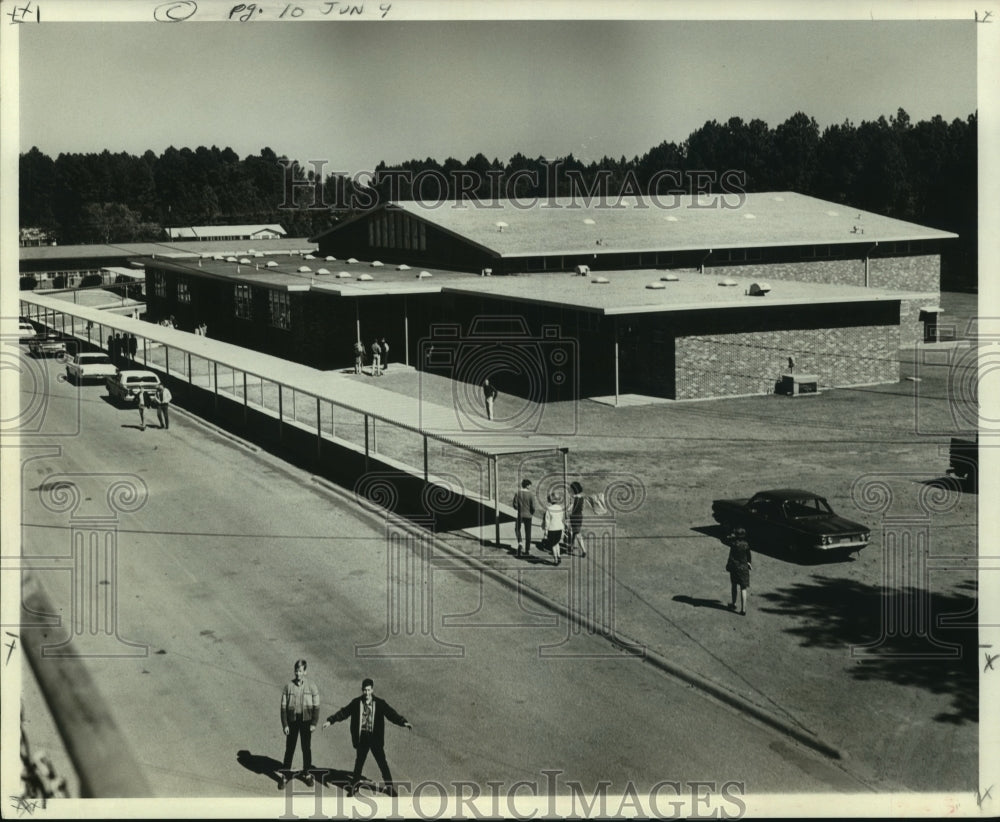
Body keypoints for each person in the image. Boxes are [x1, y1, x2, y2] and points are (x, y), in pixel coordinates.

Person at [322, 678, 411, 796]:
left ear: (372, 690)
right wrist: (330, 721)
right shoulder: (356, 703)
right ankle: (354, 787)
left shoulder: (379, 703)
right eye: (365, 690)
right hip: (362, 737)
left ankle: (390, 788)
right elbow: (344, 712)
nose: (367, 693)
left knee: (382, 763)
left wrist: (403, 722)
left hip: (375, 738)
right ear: (362, 690)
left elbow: (391, 714)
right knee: (359, 763)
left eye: (369, 690)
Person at [279, 659, 321, 788]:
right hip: (292, 720)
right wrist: (285, 724)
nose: (298, 673)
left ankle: (307, 773)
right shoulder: (288, 686)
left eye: (301, 671)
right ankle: (285, 775)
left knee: (306, 748)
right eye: (296, 670)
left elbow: (317, 706)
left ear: (305, 672)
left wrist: (314, 722)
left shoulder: (312, 686)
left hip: (306, 721)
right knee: (290, 748)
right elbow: (283, 707)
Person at [725, 527, 752, 616]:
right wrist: (749, 564)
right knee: (743, 588)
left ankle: (733, 603)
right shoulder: (746, 545)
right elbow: (749, 557)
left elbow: (731, 556)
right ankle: (743, 609)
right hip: (744, 568)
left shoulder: (733, 544)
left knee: (734, 585)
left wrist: (728, 565)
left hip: (735, 567)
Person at [512, 479, 536, 557]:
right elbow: (533, 507)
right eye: (530, 485)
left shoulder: (518, 493)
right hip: (528, 516)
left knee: (517, 529)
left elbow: (515, 505)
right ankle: (527, 550)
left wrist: (519, 509)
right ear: (527, 485)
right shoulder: (531, 495)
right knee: (528, 532)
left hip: (520, 514)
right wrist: (531, 512)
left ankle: (520, 542)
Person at [542, 491, 566, 565]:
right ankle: (558, 556)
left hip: (552, 528)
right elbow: (562, 518)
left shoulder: (549, 509)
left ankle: (556, 559)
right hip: (559, 528)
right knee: (557, 543)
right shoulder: (560, 508)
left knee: (553, 544)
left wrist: (545, 530)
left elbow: (547, 521)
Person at [566, 481, 588, 558]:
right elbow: (583, 507)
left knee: (577, 534)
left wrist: (567, 509)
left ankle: (584, 550)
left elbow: (569, 509)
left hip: (574, 517)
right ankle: (570, 547)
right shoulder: (582, 498)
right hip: (580, 517)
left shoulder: (573, 498)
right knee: (574, 532)